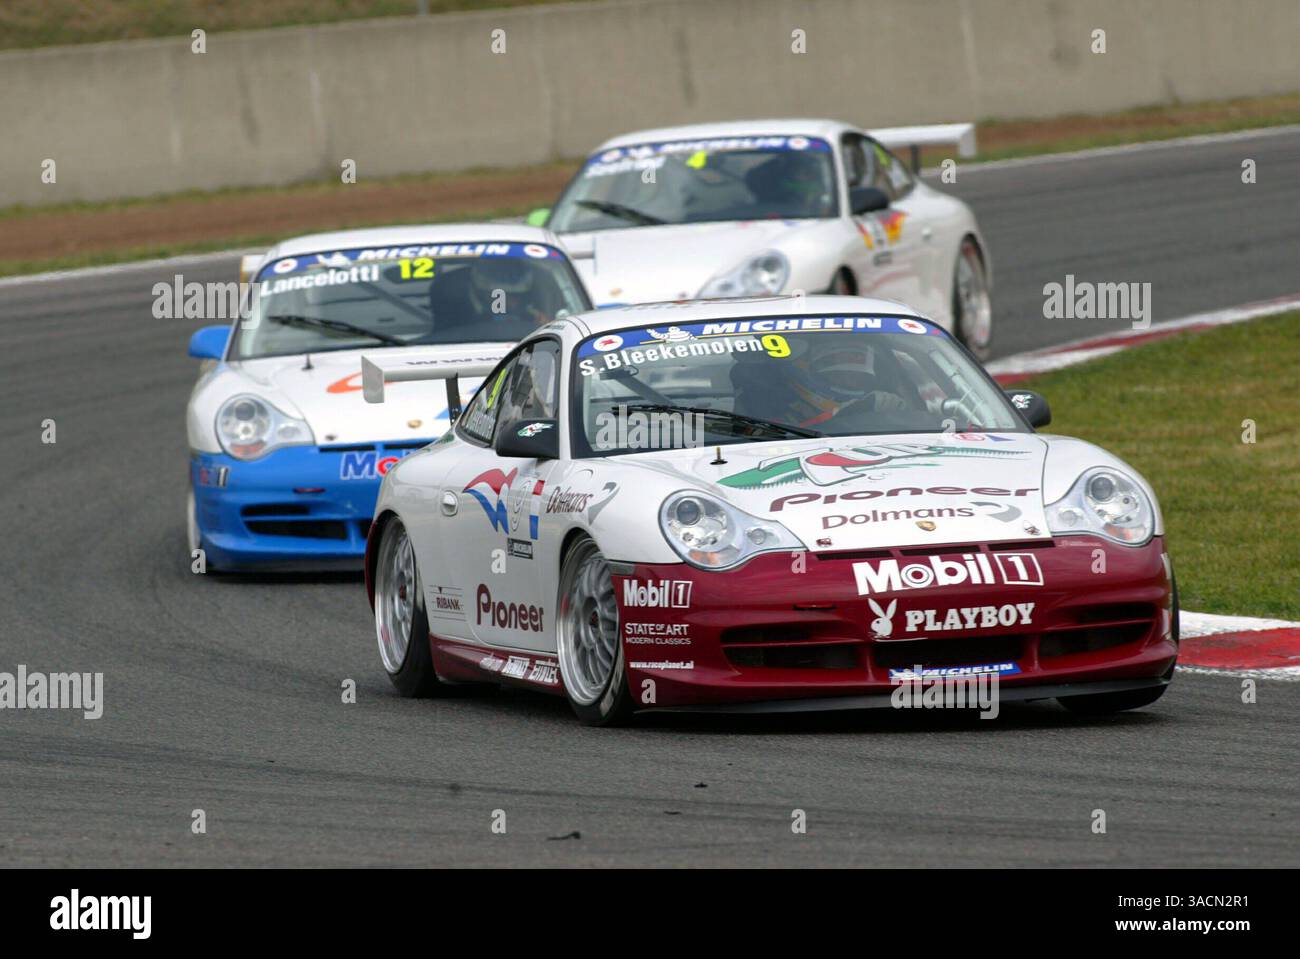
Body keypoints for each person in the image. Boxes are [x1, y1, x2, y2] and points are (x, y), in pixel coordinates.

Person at [732, 339, 908, 429]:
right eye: (842, 376)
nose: (852, 383)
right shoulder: (772, 419)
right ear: (811, 377)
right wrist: (843, 413)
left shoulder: (887, 405)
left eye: (860, 379)